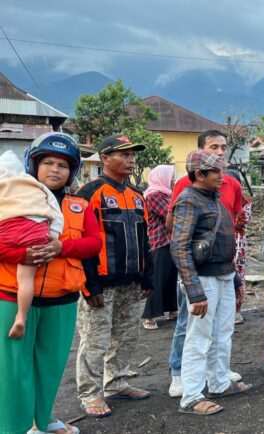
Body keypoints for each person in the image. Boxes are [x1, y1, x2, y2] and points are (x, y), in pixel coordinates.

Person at [0, 132, 101, 434]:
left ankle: (41, 421)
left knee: (50, 366)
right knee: (13, 370)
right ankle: (13, 428)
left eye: (63, 165)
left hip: (62, 299)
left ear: (72, 171)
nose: (55, 170)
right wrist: (23, 254)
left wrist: (61, 247)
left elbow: (94, 243)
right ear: (33, 164)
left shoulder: (79, 205)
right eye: (48, 163)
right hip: (12, 297)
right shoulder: (9, 194)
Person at [75, 134, 154, 418]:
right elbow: (80, 241)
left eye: (132, 154)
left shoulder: (137, 195)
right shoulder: (88, 193)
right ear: (105, 158)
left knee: (126, 336)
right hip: (101, 285)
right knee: (94, 341)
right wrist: (90, 285)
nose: (131, 159)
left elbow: (145, 239)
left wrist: (147, 276)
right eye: (124, 154)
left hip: (131, 282)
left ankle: (117, 382)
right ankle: (90, 393)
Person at [171, 150, 253, 415]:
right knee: (199, 337)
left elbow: (225, 243)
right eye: (216, 171)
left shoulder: (213, 199)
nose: (221, 176)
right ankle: (191, 396)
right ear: (199, 174)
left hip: (223, 275)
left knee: (222, 332)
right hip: (203, 279)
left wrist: (235, 279)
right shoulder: (188, 200)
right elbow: (179, 247)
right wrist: (195, 292)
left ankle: (218, 383)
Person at [0, 151, 63, 339]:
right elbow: (54, 209)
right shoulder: (33, 183)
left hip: (7, 228)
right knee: (26, 279)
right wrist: (53, 234)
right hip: (34, 230)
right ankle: (21, 316)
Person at [141, 165, 178, 330]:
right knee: (157, 278)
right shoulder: (154, 195)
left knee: (170, 277)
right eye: (171, 176)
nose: (173, 180)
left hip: (170, 241)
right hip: (159, 242)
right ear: (162, 177)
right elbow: (169, 214)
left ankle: (172, 309)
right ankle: (149, 316)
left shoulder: (166, 194)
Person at [223, 169, 251, 325]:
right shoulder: (219, 199)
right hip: (223, 241)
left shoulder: (245, 203)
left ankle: (237, 310)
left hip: (238, 243)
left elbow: (242, 222)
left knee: (238, 274)